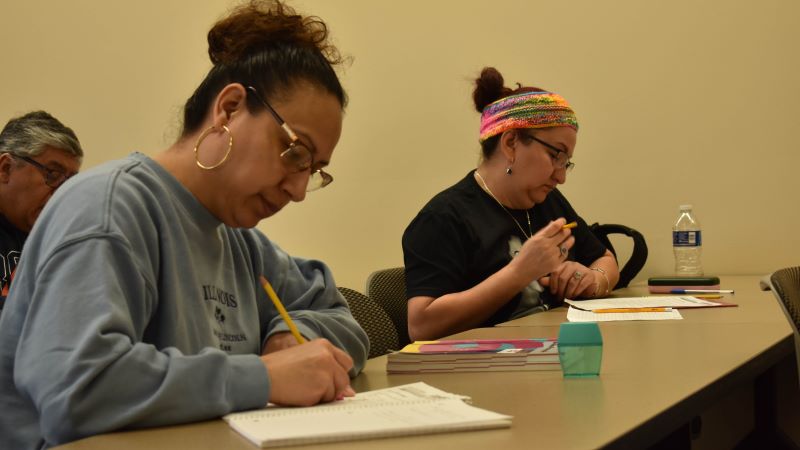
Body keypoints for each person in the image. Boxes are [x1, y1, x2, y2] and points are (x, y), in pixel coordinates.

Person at [0, 1, 368, 448]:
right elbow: (77, 390)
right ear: (229, 109)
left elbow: (339, 315)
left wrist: (291, 341)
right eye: (295, 152)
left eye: (313, 170)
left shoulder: (240, 240)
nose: (296, 189)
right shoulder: (107, 210)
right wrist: (262, 377)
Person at [402, 67, 620, 341]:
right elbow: (421, 326)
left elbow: (605, 259)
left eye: (566, 162)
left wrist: (593, 279)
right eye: (555, 155)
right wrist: (520, 272)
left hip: (551, 357)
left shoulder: (547, 200)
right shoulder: (443, 218)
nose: (561, 176)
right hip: (482, 373)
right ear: (511, 143)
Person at [0, 111, 83, 313]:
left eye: (69, 182)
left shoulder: (58, 240)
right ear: (5, 168)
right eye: (52, 175)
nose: (61, 193)